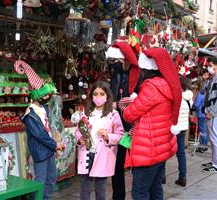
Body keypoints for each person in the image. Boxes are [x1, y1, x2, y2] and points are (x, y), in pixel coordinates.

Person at [123, 48, 182, 199]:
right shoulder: (166, 84)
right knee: (155, 188)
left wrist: (128, 106)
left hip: (148, 149)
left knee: (140, 192)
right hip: (161, 147)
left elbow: (129, 115)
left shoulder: (151, 88)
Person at [15, 60, 64, 200]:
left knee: (51, 178)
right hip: (40, 151)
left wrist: (55, 139)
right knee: (40, 180)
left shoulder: (43, 108)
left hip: (48, 149)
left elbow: (48, 129)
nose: (48, 97)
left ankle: (45, 198)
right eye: (45, 95)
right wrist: (55, 144)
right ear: (37, 95)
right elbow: (40, 135)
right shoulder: (30, 114)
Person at [75, 81, 124, 200]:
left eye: (102, 94)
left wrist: (108, 136)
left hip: (103, 156)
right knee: (84, 190)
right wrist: (80, 139)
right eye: (95, 94)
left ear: (107, 96)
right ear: (91, 96)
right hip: (86, 154)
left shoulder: (113, 114)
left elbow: (120, 135)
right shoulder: (86, 113)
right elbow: (77, 131)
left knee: (100, 190)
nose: (98, 97)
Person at [106, 41, 139, 200]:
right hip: (118, 123)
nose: (114, 65)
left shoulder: (137, 74)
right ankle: (117, 196)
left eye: (116, 61)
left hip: (134, 123)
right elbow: (112, 92)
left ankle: (141, 193)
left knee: (138, 161)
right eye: (111, 62)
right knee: (117, 163)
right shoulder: (116, 72)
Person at [173, 75, 193, 187]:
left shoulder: (177, 97)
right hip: (183, 127)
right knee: (181, 153)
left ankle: (162, 177)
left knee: (165, 152)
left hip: (173, 128)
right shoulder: (188, 98)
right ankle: (183, 177)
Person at [193, 81, 209, 153]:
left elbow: (196, 104)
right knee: (205, 130)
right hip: (207, 113)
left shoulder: (200, 94)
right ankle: (205, 145)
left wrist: (193, 106)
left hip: (200, 114)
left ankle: (203, 146)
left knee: (202, 130)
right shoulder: (208, 94)